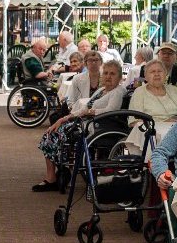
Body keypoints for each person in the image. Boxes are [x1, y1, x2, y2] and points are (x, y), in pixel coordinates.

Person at [34, 60, 125, 191]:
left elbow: (111, 110)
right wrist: (64, 118)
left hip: (98, 127)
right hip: (85, 122)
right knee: (52, 131)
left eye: (113, 74)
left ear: (120, 77)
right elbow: (85, 107)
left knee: (52, 136)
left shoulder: (118, 91)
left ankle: (55, 175)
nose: (108, 77)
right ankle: (56, 173)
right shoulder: (102, 90)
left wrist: (90, 112)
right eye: (106, 73)